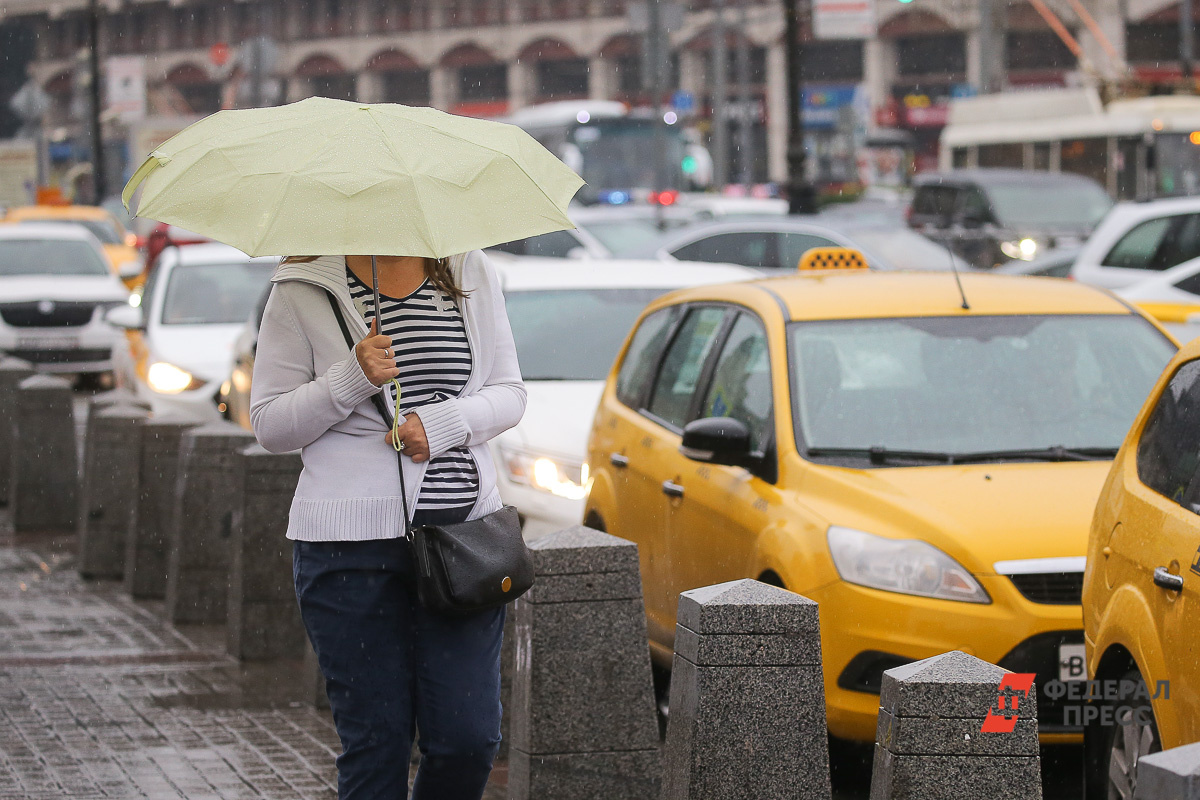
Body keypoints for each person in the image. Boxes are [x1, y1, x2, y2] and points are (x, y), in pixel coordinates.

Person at [249, 250, 526, 800]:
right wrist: (349, 379)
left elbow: (510, 393)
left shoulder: (469, 271)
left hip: (462, 545)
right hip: (347, 553)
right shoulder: (302, 286)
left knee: (468, 741)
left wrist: (443, 422)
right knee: (378, 744)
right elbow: (271, 424)